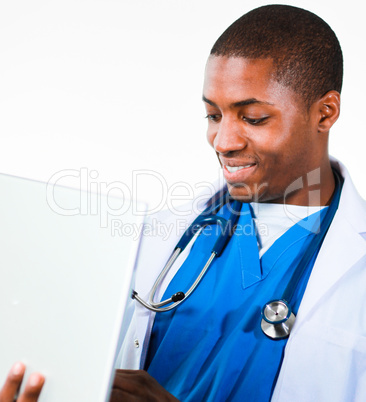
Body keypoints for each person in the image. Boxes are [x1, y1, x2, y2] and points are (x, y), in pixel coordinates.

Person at [2, 4, 366, 401]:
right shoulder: (157, 239)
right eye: (213, 115)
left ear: (325, 112)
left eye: (254, 118)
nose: (224, 142)